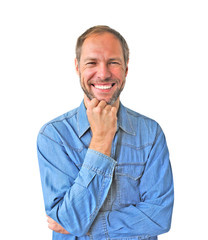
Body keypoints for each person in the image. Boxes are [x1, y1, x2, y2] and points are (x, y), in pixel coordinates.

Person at [37, 25, 174, 240]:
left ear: (126, 69)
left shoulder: (150, 133)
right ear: (77, 67)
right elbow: (67, 221)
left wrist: (89, 226)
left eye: (113, 62)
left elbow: (159, 217)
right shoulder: (54, 136)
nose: (103, 73)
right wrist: (101, 140)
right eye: (92, 63)